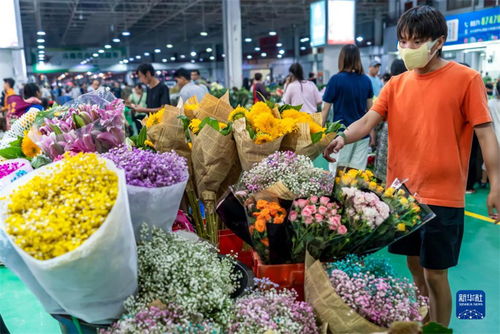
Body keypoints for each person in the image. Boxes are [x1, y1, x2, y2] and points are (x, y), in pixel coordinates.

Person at [324, 6, 500, 327]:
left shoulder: (466, 79)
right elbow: (367, 121)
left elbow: (486, 134)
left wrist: (497, 184)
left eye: (416, 41)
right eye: (403, 41)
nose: (407, 48)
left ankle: (439, 330)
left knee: (436, 274)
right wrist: (341, 138)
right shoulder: (396, 84)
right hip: (402, 195)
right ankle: (424, 321)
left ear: (439, 42)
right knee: (415, 267)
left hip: (443, 196)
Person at [321, 44, 374, 172]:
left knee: (336, 173)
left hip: (342, 135)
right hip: (362, 135)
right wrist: (372, 134)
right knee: (356, 175)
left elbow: (325, 111)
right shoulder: (366, 80)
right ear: (358, 59)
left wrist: (320, 134)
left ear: (342, 58)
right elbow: (371, 111)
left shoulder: (335, 80)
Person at [374, 59, 407, 182]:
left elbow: (378, 118)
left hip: (389, 133)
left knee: (384, 173)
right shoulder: (413, 87)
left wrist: (375, 133)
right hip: (408, 135)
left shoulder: (389, 87)